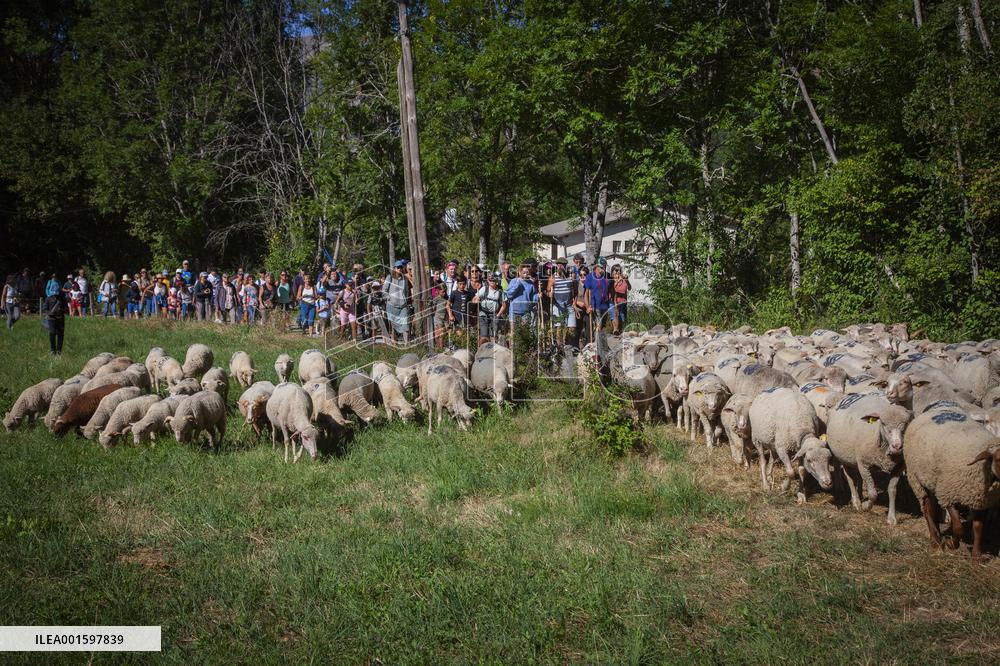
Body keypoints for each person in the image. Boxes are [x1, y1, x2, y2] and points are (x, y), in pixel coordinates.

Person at [549, 260, 577, 347]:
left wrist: (574, 302)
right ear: (557, 266)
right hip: (557, 305)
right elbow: (548, 290)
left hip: (569, 305)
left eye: (563, 265)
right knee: (559, 327)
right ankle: (559, 346)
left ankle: (568, 345)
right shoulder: (553, 277)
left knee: (572, 327)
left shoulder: (571, 276)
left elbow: (575, 290)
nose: (561, 267)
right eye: (559, 265)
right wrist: (549, 293)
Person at [475, 272, 507, 345]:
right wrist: (476, 300)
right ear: (488, 281)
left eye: (494, 280)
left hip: (495, 314)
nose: (492, 281)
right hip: (483, 314)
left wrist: (498, 315)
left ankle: (493, 352)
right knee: (484, 335)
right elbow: (475, 298)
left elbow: (504, 305)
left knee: (493, 336)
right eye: (490, 280)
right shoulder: (484, 289)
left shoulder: (500, 291)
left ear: (497, 281)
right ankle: (480, 351)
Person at [384, 260, 411, 344]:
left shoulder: (405, 278)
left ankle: (407, 344)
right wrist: (388, 298)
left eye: (400, 267)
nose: (399, 269)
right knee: (393, 326)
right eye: (398, 267)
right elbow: (384, 290)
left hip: (403, 306)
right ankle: (394, 344)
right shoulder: (390, 277)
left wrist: (406, 300)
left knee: (405, 325)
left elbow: (406, 291)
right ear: (394, 268)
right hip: (392, 306)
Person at [583, 259, 612, 338]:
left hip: (605, 306)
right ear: (597, 267)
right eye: (602, 267)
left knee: (602, 326)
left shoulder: (607, 276)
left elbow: (611, 290)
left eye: (604, 267)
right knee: (598, 325)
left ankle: (600, 344)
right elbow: (585, 294)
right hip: (595, 305)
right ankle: (597, 345)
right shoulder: (590, 277)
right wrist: (587, 306)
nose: (603, 269)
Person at [506, 263, 538, 329]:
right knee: (513, 332)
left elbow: (533, 297)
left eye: (527, 272)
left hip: (525, 311)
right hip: (514, 311)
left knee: (524, 332)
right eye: (524, 272)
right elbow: (509, 295)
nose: (526, 274)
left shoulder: (531, 283)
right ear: (519, 272)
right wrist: (517, 285)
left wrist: (537, 297)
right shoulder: (514, 281)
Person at [42, 289, 66, 354]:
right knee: (52, 333)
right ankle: (53, 350)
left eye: (57, 293)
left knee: (60, 334)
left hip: (60, 319)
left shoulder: (62, 299)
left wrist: (61, 309)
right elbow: (44, 309)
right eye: (54, 293)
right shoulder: (48, 299)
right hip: (52, 319)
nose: (56, 295)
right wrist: (50, 313)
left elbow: (65, 308)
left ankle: (59, 350)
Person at [609, 264, 631, 334]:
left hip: (622, 303)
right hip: (612, 302)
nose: (617, 272)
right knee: (614, 316)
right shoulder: (611, 280)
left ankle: (618, 331)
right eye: (615, 270)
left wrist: (626, 280)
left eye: (618, 270)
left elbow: (629, 288)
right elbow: (611, 289)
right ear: (612, 272)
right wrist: (617, 281)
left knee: (622, 319)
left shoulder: (624, 280)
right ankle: (615, 330)